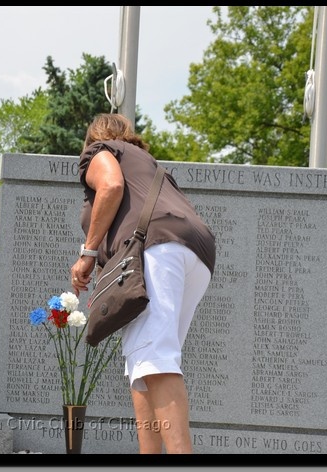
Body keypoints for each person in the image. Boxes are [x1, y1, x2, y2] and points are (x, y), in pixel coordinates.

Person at [70, 113, 216, 454]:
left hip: (158, 248)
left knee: (155, 358)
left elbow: (111, 186)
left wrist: (88, 253)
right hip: (196, 253)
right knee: (145, 364)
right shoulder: (149, 163)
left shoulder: (100, 151)